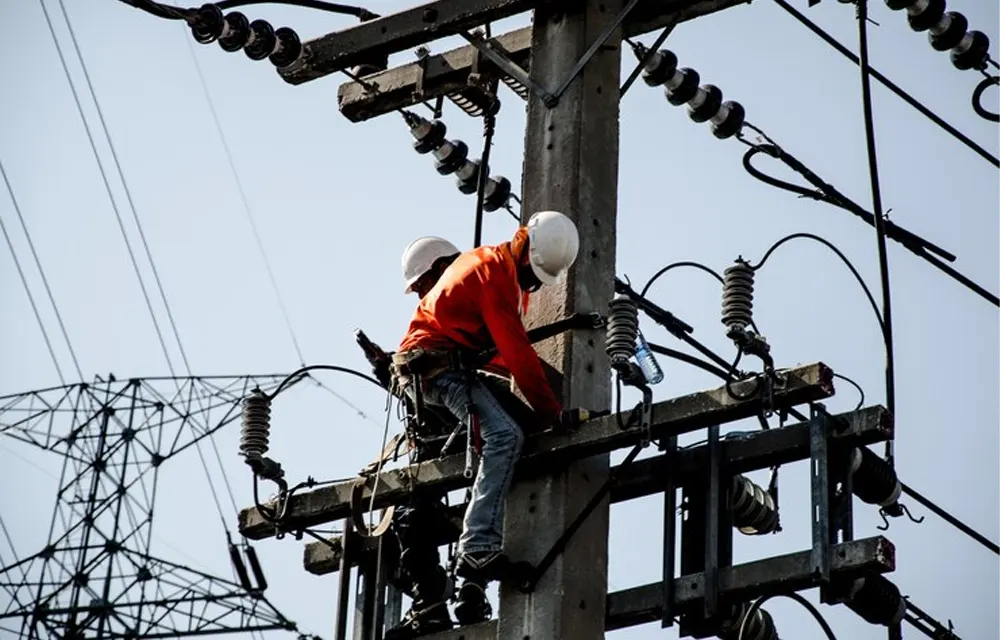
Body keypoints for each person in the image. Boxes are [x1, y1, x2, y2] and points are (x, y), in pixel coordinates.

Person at [391, 211, 585, 626]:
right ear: (523, 248)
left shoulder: (505, 277)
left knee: (519, 430)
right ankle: (477, 547)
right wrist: (553, 413)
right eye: (533, 275)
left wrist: (543, 417)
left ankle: (474, 573)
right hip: (435, 372)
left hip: (452, 370)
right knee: (504, 436)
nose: (533, 285)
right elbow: (516, 355)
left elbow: (500, 356)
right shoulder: (492, 272)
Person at [384, 236, 463, 639]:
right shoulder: (432, 317)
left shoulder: (466, 304)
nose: (416, 293)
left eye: (420, 284)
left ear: (441, 268)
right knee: (408, 516)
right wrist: (393, 375)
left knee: (478, 518)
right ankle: (430, 605)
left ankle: (467, 590)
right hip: (441, 436)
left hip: (475, 427)